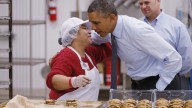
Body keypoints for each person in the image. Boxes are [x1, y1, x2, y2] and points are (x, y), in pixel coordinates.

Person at [87, 0, 182, 91]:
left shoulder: (137, 30)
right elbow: (91, 37)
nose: (93, 27)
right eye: (91, 23)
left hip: (160, 84)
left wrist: (159, 87)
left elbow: (174, 58)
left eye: (96, 23)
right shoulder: (107, 30)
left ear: (112, 17)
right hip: (138, 85)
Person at [46, 17, 112, 101]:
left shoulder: (89, 53)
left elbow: (110, 48)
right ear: (73, 34)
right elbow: (53, 80)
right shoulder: (66, 55)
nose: (89, 31)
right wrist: (73, 82)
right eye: (85, 28)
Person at [138, 0, 192, 89]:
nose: (143, 6)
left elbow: (187, 59)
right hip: (140, 84)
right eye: (141, 4)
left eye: (147, 3)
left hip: (169, 83)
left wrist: (171, 74)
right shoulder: (136, 26)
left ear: (158, 1)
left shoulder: (176, 26)